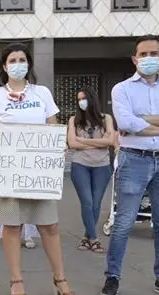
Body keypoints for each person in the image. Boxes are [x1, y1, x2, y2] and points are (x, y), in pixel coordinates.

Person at [0, 43, 78, 295]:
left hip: (39, 172)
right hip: (11, 170)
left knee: (50, 226)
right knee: (12, 226)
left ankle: (60, 280)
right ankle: (16, 281)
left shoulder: (42, 93)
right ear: (4, 66)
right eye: (12, 60)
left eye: (22, 59)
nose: (18, 63)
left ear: (29, 64)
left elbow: (52, 125)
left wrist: (57, 145)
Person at [102, 35, 159, 295]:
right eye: (143, 54)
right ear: (134, 58)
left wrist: (142, 120)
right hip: (134, 159)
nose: (148, 58)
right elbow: (125, 122)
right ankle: (113, 277)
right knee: (123, 222)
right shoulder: (122, 89)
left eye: (154, 53)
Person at [67, 87, 115, 253]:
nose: (81, 102)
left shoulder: (106, 118)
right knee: (87, 202)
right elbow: (72, 144)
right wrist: (98, 142)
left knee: (96, 203)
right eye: (79, 99)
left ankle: (86, 236)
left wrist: (83, 141)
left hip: (102, 166)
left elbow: (110, 140)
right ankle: (94, 239)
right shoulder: (74, 120)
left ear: (92, 99)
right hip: (80, 165)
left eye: (84, 98)